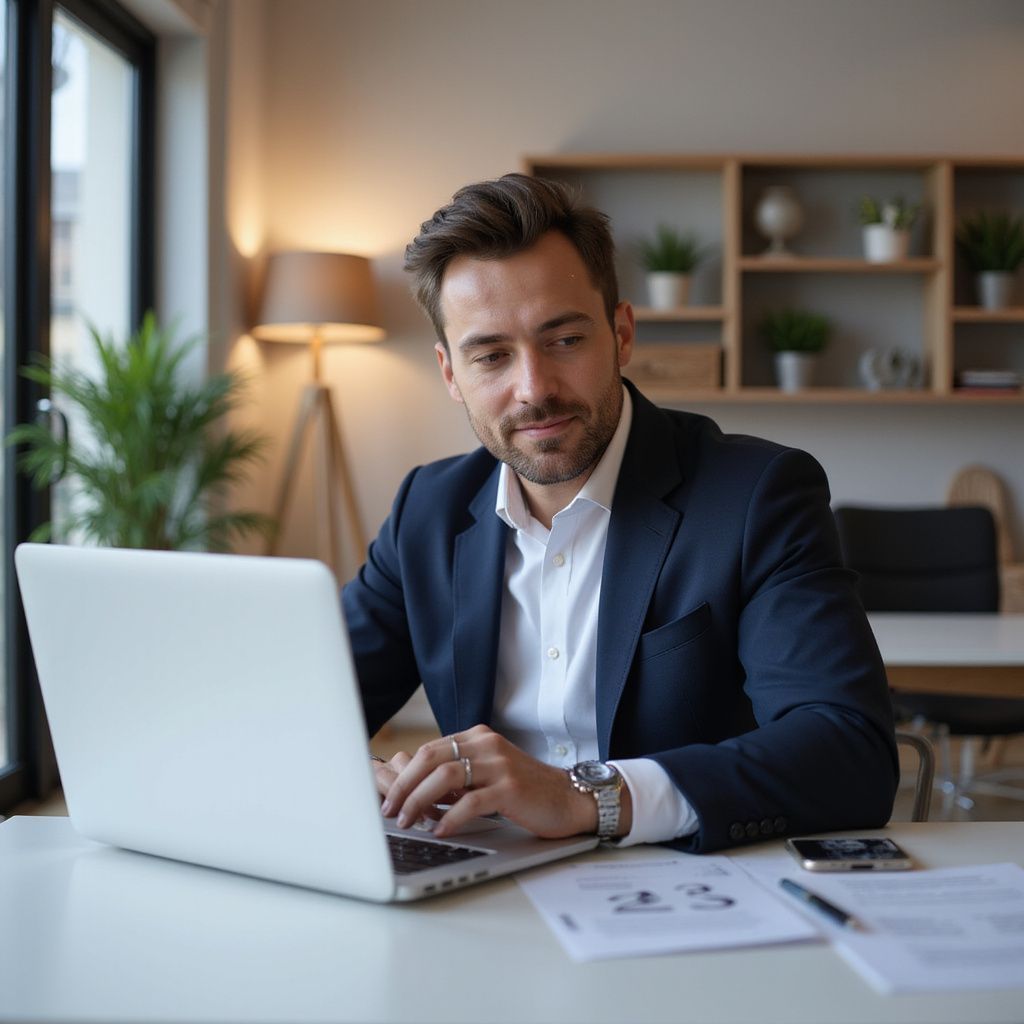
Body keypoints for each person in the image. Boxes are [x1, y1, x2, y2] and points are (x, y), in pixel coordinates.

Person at [342, 173, 898, 853]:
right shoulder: (426, 511)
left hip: (687, 893)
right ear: (451, 373)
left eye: (565, 340)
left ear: (621, 333)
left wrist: (587, 797)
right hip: (484, 886)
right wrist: (356, 776)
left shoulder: (758, 495)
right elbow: (301, 705)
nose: (534, 389)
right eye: (491, 355)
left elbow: (849, 752)